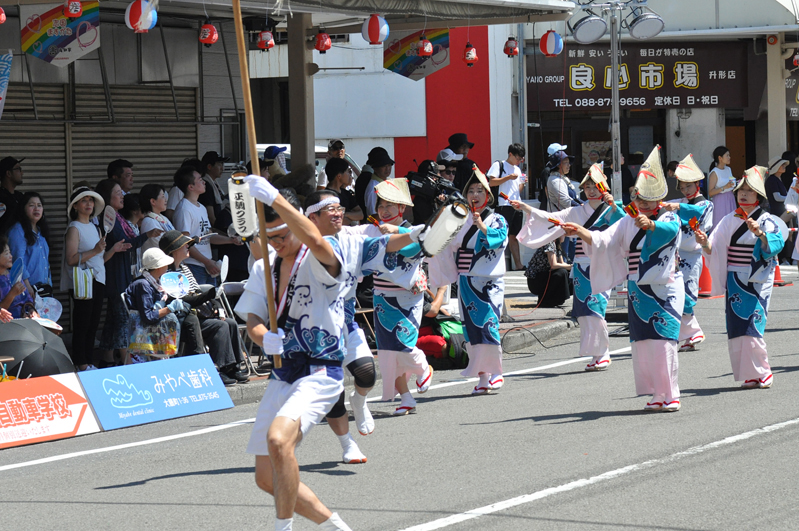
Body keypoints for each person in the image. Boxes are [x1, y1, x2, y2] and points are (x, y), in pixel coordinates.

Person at [236, 177, 423, 531]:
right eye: (271, 238)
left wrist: (275, 199)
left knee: (279, 440)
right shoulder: (264, 268)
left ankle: (283, 527)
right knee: (266, 477)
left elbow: (316, 239)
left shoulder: (322, 257)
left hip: (320, 371)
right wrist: (264, 338)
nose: (279, 243)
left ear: (297, 224)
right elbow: (253, 320)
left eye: (284, 235)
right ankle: (335, 525)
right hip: (282, 374)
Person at [562, 146, 685, 412]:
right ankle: (657, 393)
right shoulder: (628, 221)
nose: (644, 204)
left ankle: (671, 393)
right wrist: (581, 232)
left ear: (660, 199)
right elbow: (604, 239)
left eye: (650, 200)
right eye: (640, 198)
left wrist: (652, 224)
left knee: (663, 340)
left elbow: (671, 231)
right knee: (643, 343)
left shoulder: (669, 217)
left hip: (664, 288)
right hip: (638, 288)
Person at [305, 189, 424, 458]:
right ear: (312, 217)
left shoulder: (352, 240)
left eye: (339, 208)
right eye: (331, 209)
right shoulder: (298, 248)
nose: (338, 213)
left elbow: (386, 244)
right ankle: (347, 443)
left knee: (367, 373)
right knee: (332, 393)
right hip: (313, 331)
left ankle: (359, 400)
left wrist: (414, 235)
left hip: (345, 321)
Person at [515, 162, 624, 371]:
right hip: (581, 265)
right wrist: (527, 208)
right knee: (583, 311)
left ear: (604, 187)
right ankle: (595, 353)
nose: (591, 190)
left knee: (596, 308)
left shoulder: (613, 208)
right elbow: (551, 218)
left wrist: (614, 207)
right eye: (587, 187)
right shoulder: (576, 211)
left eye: (595, 186)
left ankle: (603, 352)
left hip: (602, 264)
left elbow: (627, 224)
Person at [694, 166, 784, 390]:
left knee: (753, 324)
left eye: (749, 191)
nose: (743, 194)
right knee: (736, 327)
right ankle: (749, 374)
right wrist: (704, 243)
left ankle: (763, 371)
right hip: (735, 277)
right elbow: (714, 247)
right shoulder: (728, 219)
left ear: (758, 195)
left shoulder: (766, 220)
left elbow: (777, 243)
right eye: (741, 190)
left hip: (757, 277)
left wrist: (760, 234)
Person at [428, 165, 508, 395]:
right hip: (467, 282)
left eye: (480, 191)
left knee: (489, 325)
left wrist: (481, 225)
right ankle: (482, 376)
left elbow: (499, 240)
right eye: (471, 190)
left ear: (488, 196)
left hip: (489, 282)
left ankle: (496, 372)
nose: (475, 194)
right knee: (471, 330)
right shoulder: (460, 220)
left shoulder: (498, 219)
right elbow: (443, 244)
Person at [364, 179, 433, 414]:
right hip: (381, 295)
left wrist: (396, 231)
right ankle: (406, 398)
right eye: (380, 206)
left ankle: (423, 367)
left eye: (389, 205)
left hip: (406, 297)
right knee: (387, 351)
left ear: (402, 208)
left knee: (404, 343)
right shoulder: (373, 229)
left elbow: (415, 246)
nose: (383, 210)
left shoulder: (415, 229)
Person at [159, 230, 249, 385]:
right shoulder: (169, 274)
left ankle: (233, 367)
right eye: (184, 245)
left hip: (199, 314)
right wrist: (211, 295)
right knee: (220, 326)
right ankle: (221, 367)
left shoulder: (184, 268)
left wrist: (216, 305)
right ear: (174, 250)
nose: (188, 247)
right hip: (185, 318)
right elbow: (184, 300)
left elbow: (198, 291)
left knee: (231, 323)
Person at [96, 178, 159, 366]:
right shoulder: (108, 219)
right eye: (117, 193)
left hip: (122, 273)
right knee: (123, 319)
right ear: (107, 197)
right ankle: (127, 362)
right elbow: (124, 244)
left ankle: (106, 357)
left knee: (112, 319)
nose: (122, 196)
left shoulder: (119, 217)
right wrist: (146, 235)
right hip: (115, 275)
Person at [660, 154, 714, 352]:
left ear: (698, 184)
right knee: (675, 295)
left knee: (687, 296)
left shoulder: (706, 205)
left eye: (688, 186)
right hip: (676, 256)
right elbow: (664, 208)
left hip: (692, 256)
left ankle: (692, 332)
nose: (685, 191)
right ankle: (691, 333)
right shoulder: (680, 202)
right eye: (682, 188)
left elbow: (698, 214)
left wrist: (677, 207)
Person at [61, 187, 109, 371]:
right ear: (75, 206)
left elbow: (99, 258)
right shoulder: (74, 228)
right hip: (83, 281)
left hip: (98, 279)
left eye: (91, 200)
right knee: (83, 323)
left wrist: (111, 250)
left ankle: (89, 361)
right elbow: (71, 259)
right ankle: (81, 362)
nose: (88, 203)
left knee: (93, 323)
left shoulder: (96, 228)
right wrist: (95, 250)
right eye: (84, 200)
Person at [172, 165, 240, 286]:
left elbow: (208, 236)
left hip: (207, 265)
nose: (204, 182)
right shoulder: (184, 209)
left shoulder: (201, 207)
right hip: (193, 265)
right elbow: (185, 242)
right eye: (200, 179)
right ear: (191, 187)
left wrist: (230, 240)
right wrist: (207, 262)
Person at [124, 248, 185, 364]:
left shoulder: (155, 283)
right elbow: (148, 317)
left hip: (154, 331)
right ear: (158, 267)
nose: (167, 266)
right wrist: (169, 308)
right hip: (143, 334)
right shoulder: (143, 285)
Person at [488, 143, 526, 270]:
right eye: (518, 158)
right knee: (501, 235)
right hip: (503, 205)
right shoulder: (499, 165)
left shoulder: (517, 169)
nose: (519, 161)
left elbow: (517, 190)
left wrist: (523, 183)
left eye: (521, 159)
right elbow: (491, 182)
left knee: (514, 236)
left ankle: (518, 265)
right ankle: (498, 265)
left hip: (516, 205)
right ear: (510, 154)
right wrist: (508, 177)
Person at [8, 192, 51, 300]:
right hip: (27, 290)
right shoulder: (18, 230)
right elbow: (18, 260)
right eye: (32, 205)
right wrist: (27, 286)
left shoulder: (41, 231)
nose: (36, 209)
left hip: (43, 289)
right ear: (23, 208)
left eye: (39, 205)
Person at [546, 147, 581, 260]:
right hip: (561, 224)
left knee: (572, 255)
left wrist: (586, 205)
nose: (569, 165)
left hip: (570, 222)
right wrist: (582, 208)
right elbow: (566, 201)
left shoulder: (563, 179)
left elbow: (574, 198)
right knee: (563, 256)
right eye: (566, 162)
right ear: (558, 165)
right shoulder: (554, 180)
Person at [524, 238, 572, 307]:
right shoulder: (549, 244)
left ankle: (556, 299)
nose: (565, 236)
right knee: (562, 272)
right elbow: (553, 265)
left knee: (570, 273)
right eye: (564, 233)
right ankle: (545, 300)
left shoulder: (557, 245)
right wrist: (570, 267)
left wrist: (572, 268)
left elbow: (562, 263)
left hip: (543, 276)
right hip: (536, 281)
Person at [0, 235, 38, 319]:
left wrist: (31, 311)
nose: (11, 256)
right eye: (6, 253)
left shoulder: (15, 274)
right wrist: (12, 294)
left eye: (10, 252)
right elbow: (1, 312)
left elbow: (28, 300)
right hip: (9, 324)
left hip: (24, 321)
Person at [324, 158, 363, 226]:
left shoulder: (346, 193)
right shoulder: (326, 196)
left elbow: (360, 214)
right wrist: (351, 217)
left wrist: (346, 214)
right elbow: (340, 221)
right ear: (339, 176)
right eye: (347, 172)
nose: (349, 175)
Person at [140, 183, 175, 252]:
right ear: (153, 201)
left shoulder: (164, 218)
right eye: (162, 196)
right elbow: (165, 246)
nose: (166, 200)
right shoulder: (149, 222)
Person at [707, 146, 736, 228]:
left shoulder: (728, 169)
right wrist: (724, 187)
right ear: (720, 158)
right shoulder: (714, 173)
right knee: (721, 224)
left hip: (730, 197)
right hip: (720, 200)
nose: (729, 157)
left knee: (731, 223)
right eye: (727, 155)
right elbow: (710, 192)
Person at [198, 151, 229, 226]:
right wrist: (220, 229)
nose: (222, 168)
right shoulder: (206, 185)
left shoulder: (213, 183)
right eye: (219, 165)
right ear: (209, 167)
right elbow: (211, 217)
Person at [362, 148, 394, 217]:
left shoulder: (384, 183)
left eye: (389, 165)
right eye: (384, 166)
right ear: (375, 168)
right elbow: (372, 215)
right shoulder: (373, 188)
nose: (387, 169)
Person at [0, 156, 26, 235]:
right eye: (18, 169)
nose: (22, 173)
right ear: (8, 173)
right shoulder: (1, 197)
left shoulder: (20, 196)